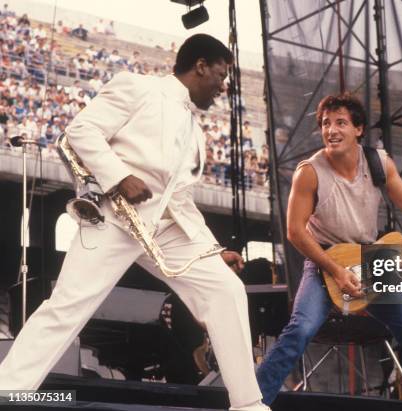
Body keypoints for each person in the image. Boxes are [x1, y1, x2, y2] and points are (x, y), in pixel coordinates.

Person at [0, 34, 269, 411]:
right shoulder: (138, 87)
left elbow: (181, 199)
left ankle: (248, 405)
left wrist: (212, 248)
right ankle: (7, 391)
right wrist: (119, 176)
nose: (223, 88)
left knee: (226, 290)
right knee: (67, 307)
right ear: (201, 66)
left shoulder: (196, 133)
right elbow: (80, 132)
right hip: (112, 219)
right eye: (221, 76)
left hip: (165, 230)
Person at [255, 93, 402, 411]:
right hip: (325, 262)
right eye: (326, 124)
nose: (331, 130)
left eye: (341, 122)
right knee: (300, 329)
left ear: (359, 129)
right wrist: (336, 271)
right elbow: (296, 232)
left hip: (369, 263)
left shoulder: (378, 163)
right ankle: (251, 402)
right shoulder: (309, 172)